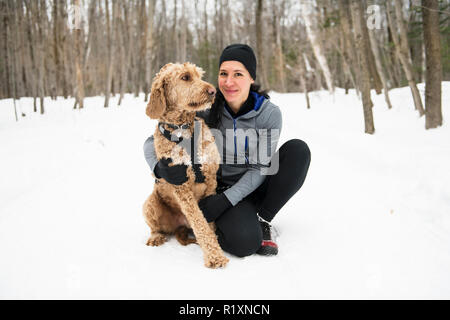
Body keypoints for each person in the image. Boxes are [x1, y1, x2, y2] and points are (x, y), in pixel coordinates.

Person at [143, 44, 311, 257]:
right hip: (220, 190)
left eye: (238, 74)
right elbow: (153, 140)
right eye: (223, 74)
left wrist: (226, 201)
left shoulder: (269, 114)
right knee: (244, 244)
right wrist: (160, 169)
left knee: (298, 151)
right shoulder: (204, 107)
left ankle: (263, 219)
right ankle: (241, 221)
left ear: (251, 78)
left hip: (253, 186)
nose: (228, 82)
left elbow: (260, 167)